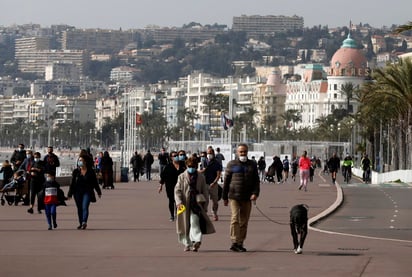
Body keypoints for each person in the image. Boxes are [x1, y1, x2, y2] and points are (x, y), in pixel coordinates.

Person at [222, 143, 260, 252]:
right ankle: (234, 241)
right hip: (234, 196)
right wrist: (224, 197)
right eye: (241, 152)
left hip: (247, 197)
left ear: (247, 152)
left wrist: (255, 194)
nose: (243, 153)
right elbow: (226, 182)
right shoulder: (232, 164)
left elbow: (256, 181)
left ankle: (240, 242)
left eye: (244, 151)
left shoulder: (252, 165)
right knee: (235, 218)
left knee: (244, 221)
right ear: (237, 152)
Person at [175, 156, 215, 252]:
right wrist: (179, 202)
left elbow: (205, 191)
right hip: (184, 204)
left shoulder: (201, 177)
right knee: (184, 224)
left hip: (196, 204)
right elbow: (177, 190)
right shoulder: (181, 177)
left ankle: (196, 241)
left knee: (194, 222)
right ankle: (186, 243)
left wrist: (205, 206)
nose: (191, 167)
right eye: (189, 166)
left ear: (196, 166)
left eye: (193, 166)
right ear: (186, 166)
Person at [67, 154, 102, 230]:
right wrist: (69, 194)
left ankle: (84, 222)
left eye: (81, 160)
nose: (80, 162)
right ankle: (81, 223)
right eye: (79, 160)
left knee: (84, 207)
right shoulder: (76, 171)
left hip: (87, 191)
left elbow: (95, 182)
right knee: (79, 208)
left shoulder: (90, 171)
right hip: (77, 192)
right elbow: (72, 183)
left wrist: (98, 191)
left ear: (85, 162)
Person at [158, 151, 185, 221]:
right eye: (174, 156)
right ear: (171, 158)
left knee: (179, 201)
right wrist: (161, 185)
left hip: (180, 186)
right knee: (171, 201)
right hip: (170, 187)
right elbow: (163, 176)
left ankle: (178, 214)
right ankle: (172, 215)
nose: (176, 157)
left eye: (177, 155)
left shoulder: (183, 165)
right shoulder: (168, 167)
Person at [199, 147, 222, 221]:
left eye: (210, 153)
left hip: (213, 184)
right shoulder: (203, 161)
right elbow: (199, 171)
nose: (209, 155)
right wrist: (202, 170)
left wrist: (214, 182)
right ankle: (204, 213)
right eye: (208, 153)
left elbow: (218, 175)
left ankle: (214, 212)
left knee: (215, 201)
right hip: (205, 184)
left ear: (213, 154)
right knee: (205, 201)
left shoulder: (216, 163)